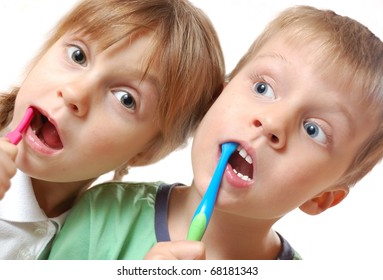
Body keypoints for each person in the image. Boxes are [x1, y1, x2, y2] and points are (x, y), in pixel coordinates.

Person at [47, 5, 383, 260]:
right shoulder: (104, 213)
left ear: (321, 197)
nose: (272, 123)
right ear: (217, 97)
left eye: (313, 130)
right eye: (264, 88)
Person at [0, 0, 225, 259]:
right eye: (78, 56)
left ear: (148, 152)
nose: (74, 93)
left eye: (126, 98)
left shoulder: (102, 240)